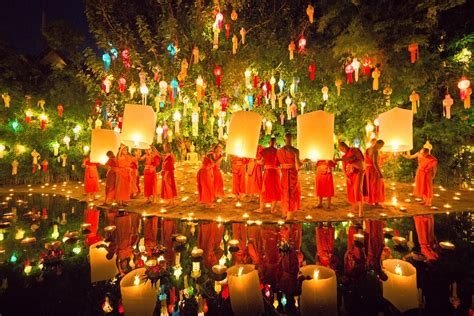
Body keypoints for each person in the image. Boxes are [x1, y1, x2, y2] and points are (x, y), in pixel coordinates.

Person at [277, 133, 307, 220]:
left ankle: (284, 213)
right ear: (292, 140)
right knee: (292, 193)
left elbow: (279, 164)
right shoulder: (295, 151)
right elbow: (298, 166)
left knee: (284, 192)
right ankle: (289, 216)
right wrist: (304, 161)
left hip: (284, 174)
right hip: (292, 174)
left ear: (284, 140)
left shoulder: (279, 151)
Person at [336, 142, 365, 217]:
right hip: (350, 174)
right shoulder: (344, 156)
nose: (341, 150)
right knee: (351, 191)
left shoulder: (354, 150)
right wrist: (347, 177)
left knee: (358, 190)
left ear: (343, 147)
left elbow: (352, 158)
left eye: (341, 149)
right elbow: (343, 168)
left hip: (358, 172)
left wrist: (339, 159)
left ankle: (361, 210)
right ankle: (354, 207)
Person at [254, 137, 280, 213]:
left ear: (269, 142)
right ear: (275, 143)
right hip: (275, 172)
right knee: (275, 189)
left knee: (265, 189)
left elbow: (261, 162)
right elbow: (280, 164)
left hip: (268, 172)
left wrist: (256, 161)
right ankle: (272, 209)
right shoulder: (277, 151)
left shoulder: (265, 150)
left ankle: (261, 209)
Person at [364, 139, 385, 206]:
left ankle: (370, 200)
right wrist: (380, 173)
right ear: (379, 144)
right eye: (381, 146)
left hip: (367, 169)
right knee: (376, 185)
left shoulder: (368, 149)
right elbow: (375, 163)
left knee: (369, 184)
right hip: (373, 169)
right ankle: (376, 201)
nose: (381, 148)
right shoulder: (375, 151)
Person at [161, 143, 177, 207]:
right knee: (168, 187)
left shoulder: (170, 156)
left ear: (167, 148)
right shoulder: (167, 155)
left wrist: (166, 174)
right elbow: (160, 155)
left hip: (168, 173)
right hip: (166, 172)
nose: (164, 148)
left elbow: (170, 166)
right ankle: (170, 201)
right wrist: (154, 149)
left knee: (169, 187)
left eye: (164, 147)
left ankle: (171, 202)